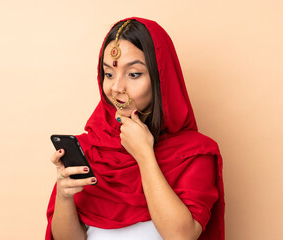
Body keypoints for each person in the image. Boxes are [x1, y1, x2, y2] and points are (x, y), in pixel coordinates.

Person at [45, 17, 225, 240]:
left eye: (134, 74)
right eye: (108, 74)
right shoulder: (88, 150)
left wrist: (144, 155)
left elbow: (181, 236)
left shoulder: (194, 153)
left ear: (161, 78)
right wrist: (64, 197)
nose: (116, 88)